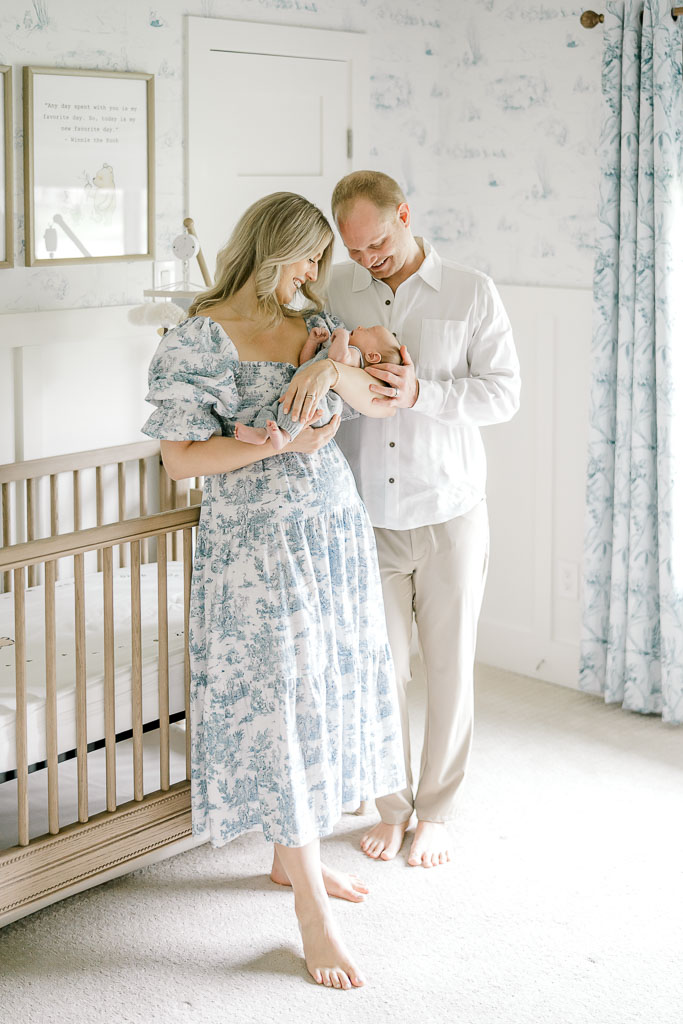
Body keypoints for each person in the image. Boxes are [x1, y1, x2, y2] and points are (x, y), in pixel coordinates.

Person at [141, 192, 405, 990]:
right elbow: (181, 461)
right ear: (273, 251)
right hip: (255, 547)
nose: (314, 273)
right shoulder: (199, 337)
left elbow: (374, 397)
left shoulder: (315, 325)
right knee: (282, 704)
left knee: (323, 694)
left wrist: (332, 367)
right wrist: (266, 446)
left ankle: (295, 862)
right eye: (307, 258)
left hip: (330, 529)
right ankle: (309, 910)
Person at [327, 170, 521, 869]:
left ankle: (435, 811)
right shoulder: (336, 291)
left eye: (376, 243)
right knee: (379, 672)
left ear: (403, 215)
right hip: (367, 517)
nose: (367, 259)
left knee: (449, 668)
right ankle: (391, 805)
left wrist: (422, 393)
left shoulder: (471, 291)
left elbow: (502, 395)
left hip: (449, 512)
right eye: (354, 250)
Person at [234, 322, 403, 448]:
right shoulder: (341, 350)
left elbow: (338, 359)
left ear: (372, 356)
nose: (360, 327)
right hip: (301, 390)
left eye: (367, 330)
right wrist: (312, 343)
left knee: (298, 411)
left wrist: (343, 335)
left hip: (322, 401)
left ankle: (285, 435)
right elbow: (305, 364)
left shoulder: (355, 355)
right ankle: (262, 432)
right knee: (273, 410)